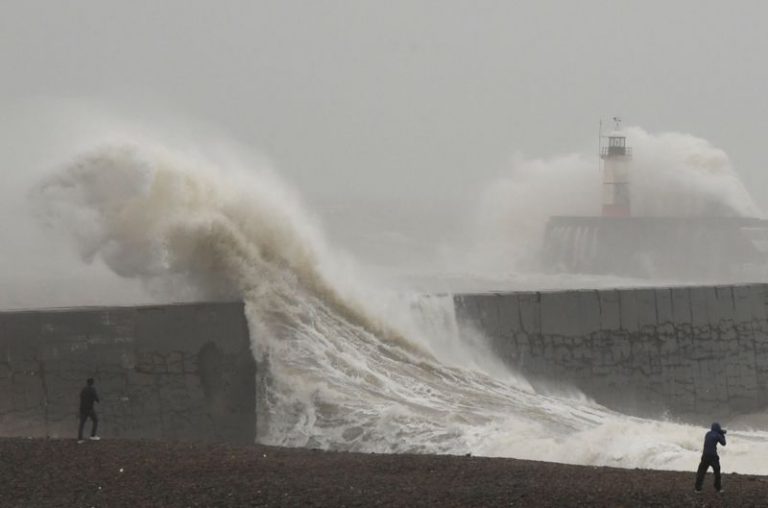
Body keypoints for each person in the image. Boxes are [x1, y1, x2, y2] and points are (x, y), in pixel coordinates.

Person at [694, 422, 726, 493]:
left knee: (701, 472)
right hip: (713, 456)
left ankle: (697, 488)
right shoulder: (718, 435)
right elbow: (724, 443)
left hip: (705, 455)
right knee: (717, 472)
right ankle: (718, 488)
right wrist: (722, 435)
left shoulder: (707, 434)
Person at [77, 378, 101, 443]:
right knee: (95, 420)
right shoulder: (92, 389)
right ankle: (92, 435)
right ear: (92, 383)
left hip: (83, 409)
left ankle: (80, 439)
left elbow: (81, 397)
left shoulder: (83, 389)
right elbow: (97, 398)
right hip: (89, 409)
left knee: (81, 424)